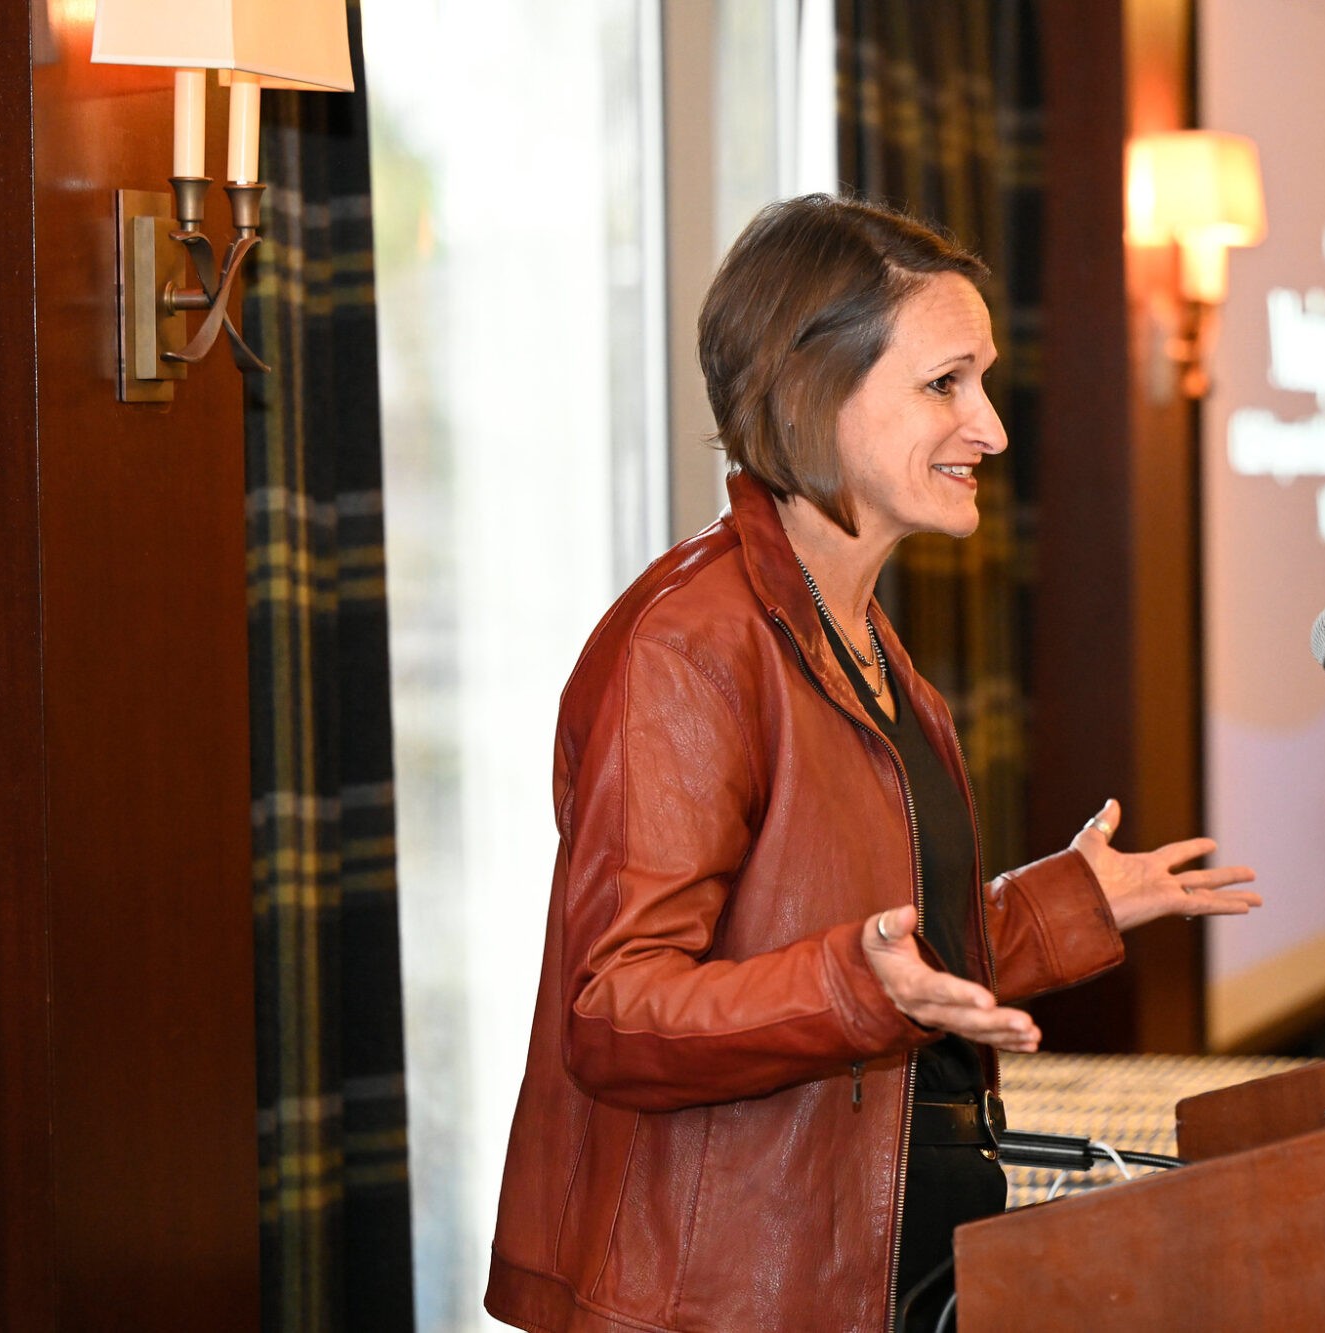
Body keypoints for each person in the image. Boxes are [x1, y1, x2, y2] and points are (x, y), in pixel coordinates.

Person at [485, 194, 1261, 1333]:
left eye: (982, 381)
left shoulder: (865, 642)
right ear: (814, 389)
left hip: (883, 1259)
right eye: (945, 383)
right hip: (737, 1294)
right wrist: (857, 985)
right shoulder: (691, 647)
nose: (990, 428)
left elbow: (887, 961)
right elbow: (616, 1012)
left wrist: (1061, 907)